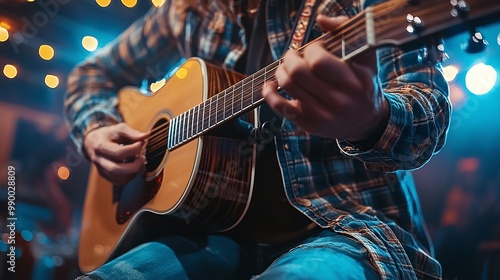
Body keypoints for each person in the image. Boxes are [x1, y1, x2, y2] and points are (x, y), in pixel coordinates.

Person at [64, 0, 451, 279]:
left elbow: (426, 113)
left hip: (342, 229)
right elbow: (91, 76)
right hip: (205, 232)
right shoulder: (189, 9)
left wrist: (371, 118)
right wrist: (96, 130)